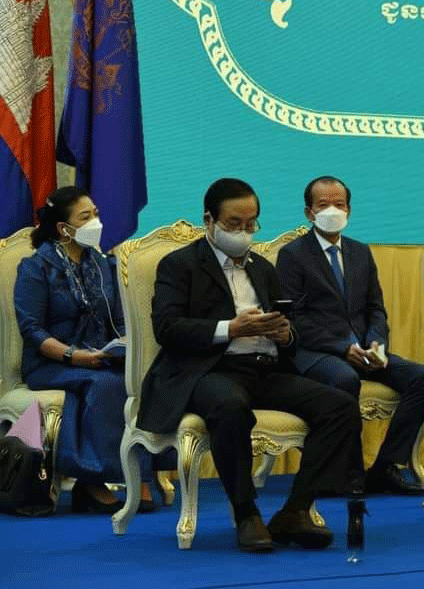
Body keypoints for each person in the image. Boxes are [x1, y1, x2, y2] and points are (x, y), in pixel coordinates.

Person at [137, 178, 362, 552]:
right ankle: (246, 513)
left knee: (340, 406)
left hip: (265, 369)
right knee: (230, 406)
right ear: (209, 221)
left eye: (251, 223)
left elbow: (290, 330)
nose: (244, 232)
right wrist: (231, 328)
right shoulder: (180, 265)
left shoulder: (263, 268)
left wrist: (284, 335)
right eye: (234, 224)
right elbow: (168, 328)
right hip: (208, 370)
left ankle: (296, 510)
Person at [277, 176, 424, 495]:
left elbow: (376, 308)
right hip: (316, 353)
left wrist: (377, 343)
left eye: (340, 204)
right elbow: (295, 319)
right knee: (345, 379)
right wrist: (343, 347)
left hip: (364, 349)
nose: (333, 211)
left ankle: (386, 466)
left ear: (349, 210)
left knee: (422, 378)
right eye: (324, 205)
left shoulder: (360, 252)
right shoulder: (293, 255)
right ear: (309, 212)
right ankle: (346, 473)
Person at [14, 187, 154, 513]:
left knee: (145, 377)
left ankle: (138, 474)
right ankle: (93, 482)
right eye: (86, 217)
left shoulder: (102, 264)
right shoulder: (36, 268)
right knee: (104, 384)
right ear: (64, 228)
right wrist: (74, 356)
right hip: (51, 362)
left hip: (98, 356)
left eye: (97, 214)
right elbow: (32, 330)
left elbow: (120, 320)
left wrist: (124, 347)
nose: (96, 222)